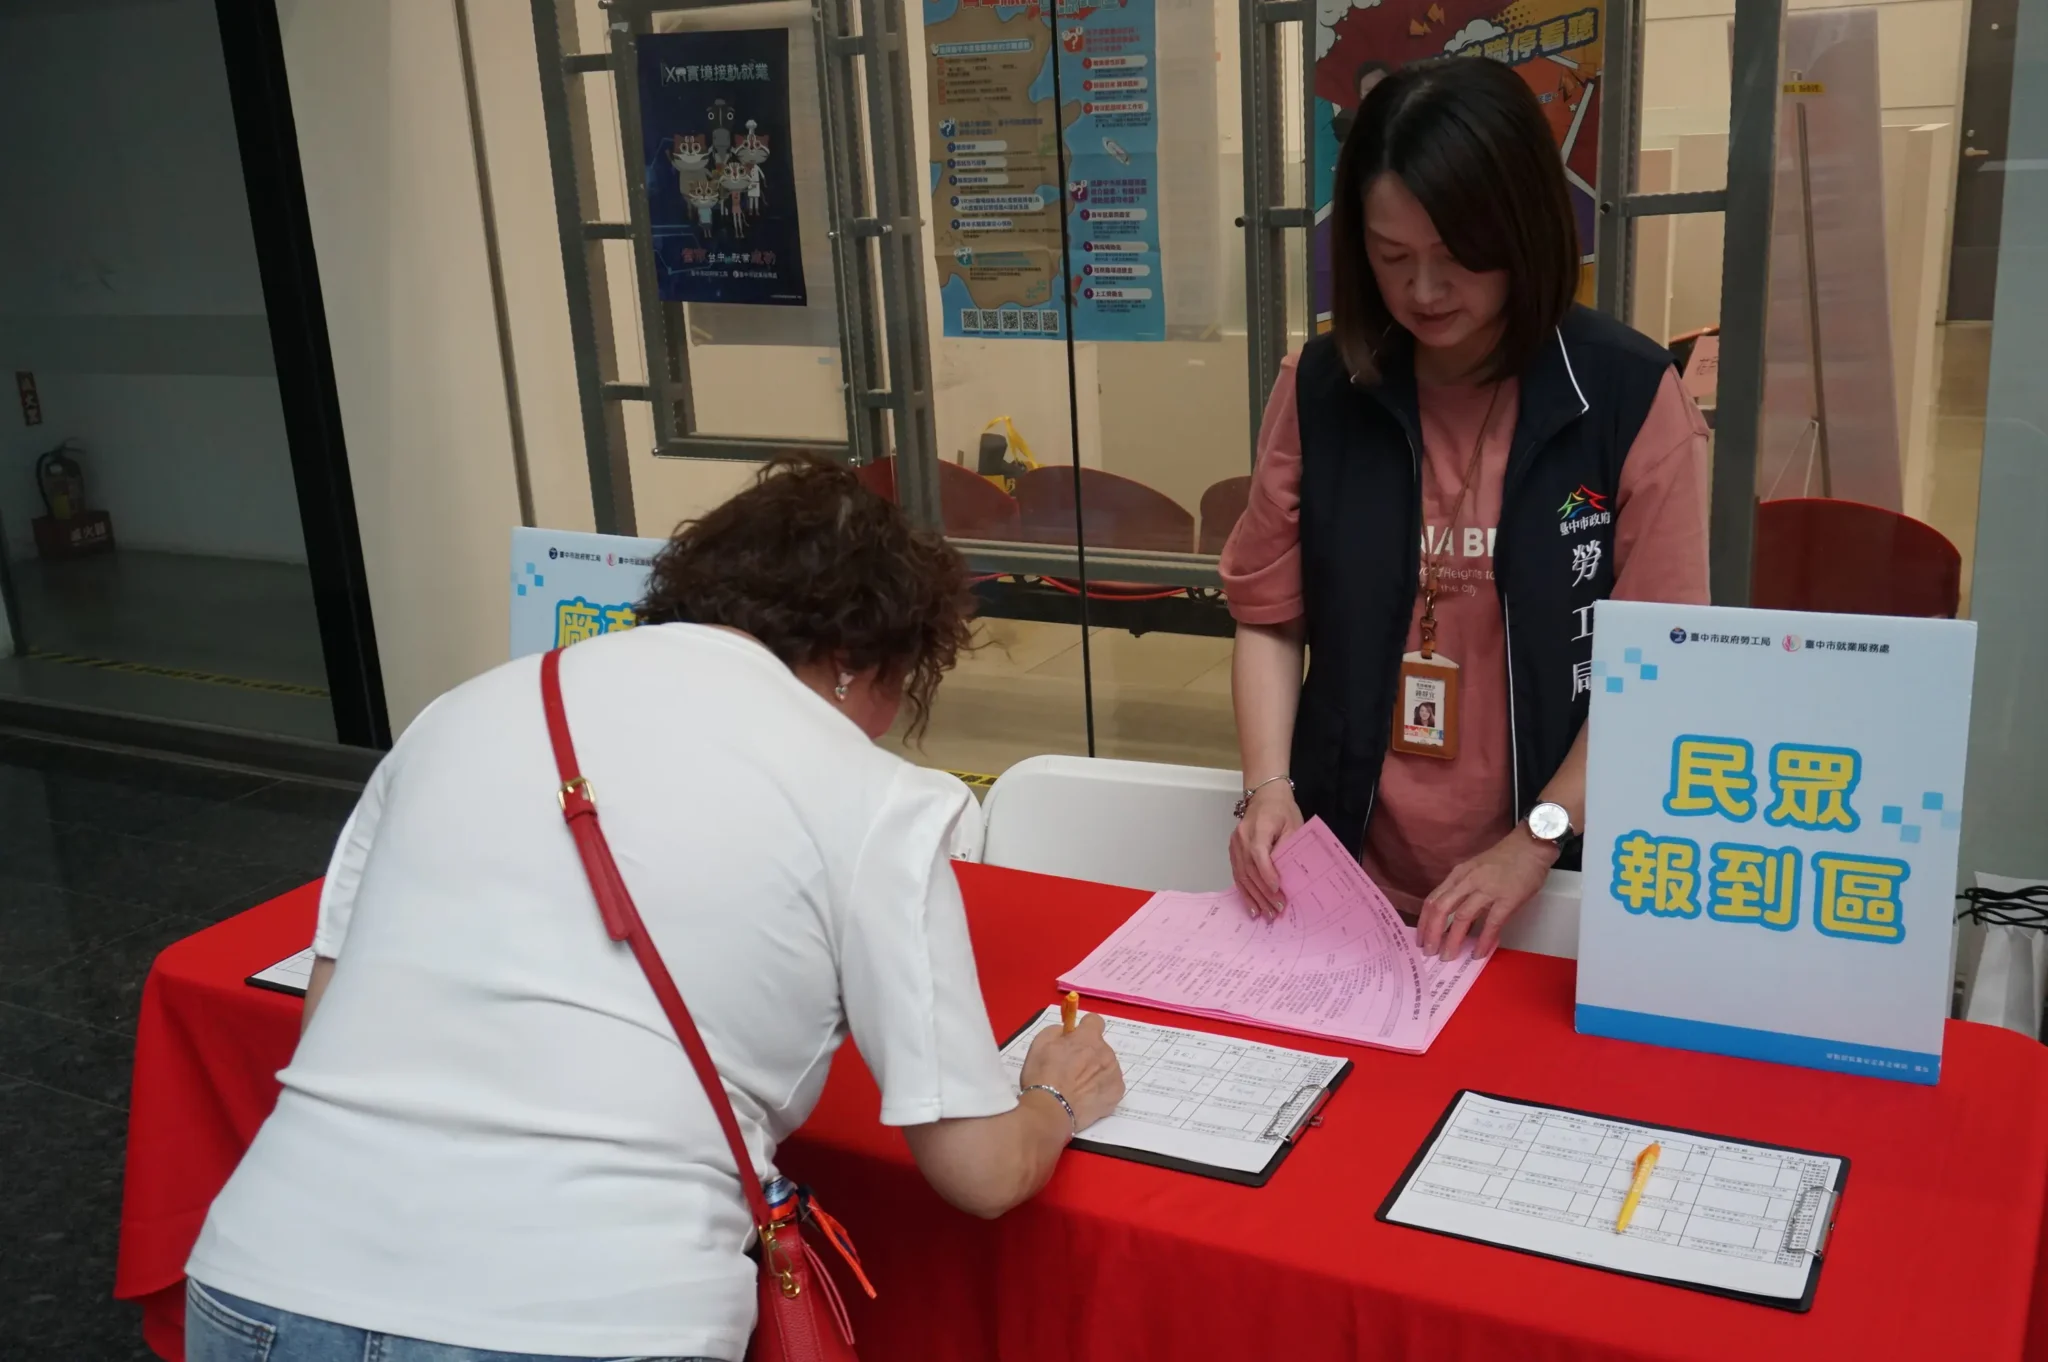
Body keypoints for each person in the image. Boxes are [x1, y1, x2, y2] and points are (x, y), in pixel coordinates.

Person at [183, 456, 1125, 1362]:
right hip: (591, 1317)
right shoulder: (881, 800)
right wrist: (1054, 1098)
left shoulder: (458, 712)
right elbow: (980, 1173)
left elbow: (328, 1016)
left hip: (265, 1275)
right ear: (855, 659)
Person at [1223, 58, 1709, 961]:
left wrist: (1538, 838)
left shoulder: (1627, 396)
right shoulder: (1323, 387)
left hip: (1548, 886)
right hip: (1341, 876)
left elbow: (1663, 666)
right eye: (1392, 257)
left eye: (1456, 257)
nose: (1424, 291)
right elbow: (1269, 616)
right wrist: (1267, 788)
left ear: (1524, 229)